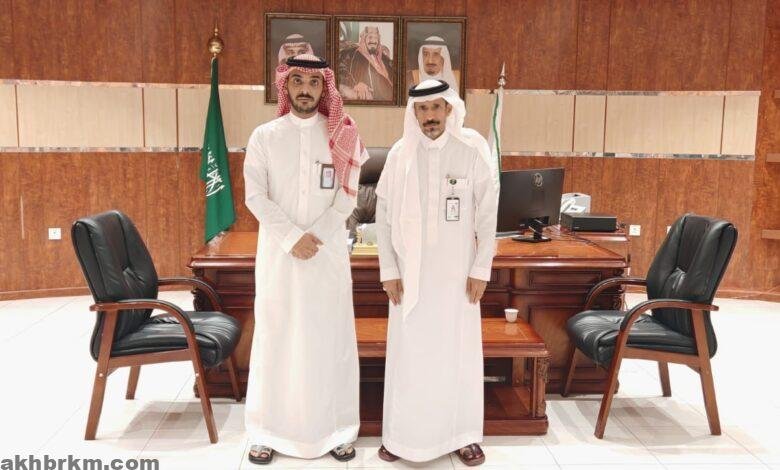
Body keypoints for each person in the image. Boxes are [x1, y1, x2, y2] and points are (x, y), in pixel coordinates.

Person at [243, 54, 367, 465]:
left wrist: (318, 236)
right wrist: (292, 238)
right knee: (276, 339)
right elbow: (255, 196)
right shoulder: (264, 137)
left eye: (314, 83)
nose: (305, 90)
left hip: (326, 258)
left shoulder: (343, 135)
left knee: (329, 341)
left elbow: (348, 196)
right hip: (279, 260)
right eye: (297, 81)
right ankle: (266, 431)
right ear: (285, 85)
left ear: (324, 87)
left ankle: (338, 430)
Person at [374, 79, 498, 466]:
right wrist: (388, 269)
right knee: (409, 357)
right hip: (408, 277)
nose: (430, 116)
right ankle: (400, 437)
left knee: (457, 355)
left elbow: (488, 213)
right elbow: (382, 215)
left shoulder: (472, 149)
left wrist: (481, 268)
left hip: (457, 276)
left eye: (436, 108)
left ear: (449, 109)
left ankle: (462, 435)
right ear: (413, 113)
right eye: (422, 109)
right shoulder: (400, 154)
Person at [338, 25, 395, 101]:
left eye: (376, 38)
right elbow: (341, 69)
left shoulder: (384, 58)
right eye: (370, 37)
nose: (373, 41)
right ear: (363, 38)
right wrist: (355, 85)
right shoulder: (351, 53)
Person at [270, 34, 315, 100]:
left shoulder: (316, 79)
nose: (296, 56)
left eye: (301, 52)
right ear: (284, 56)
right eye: (291, 53)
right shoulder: (278, 83)